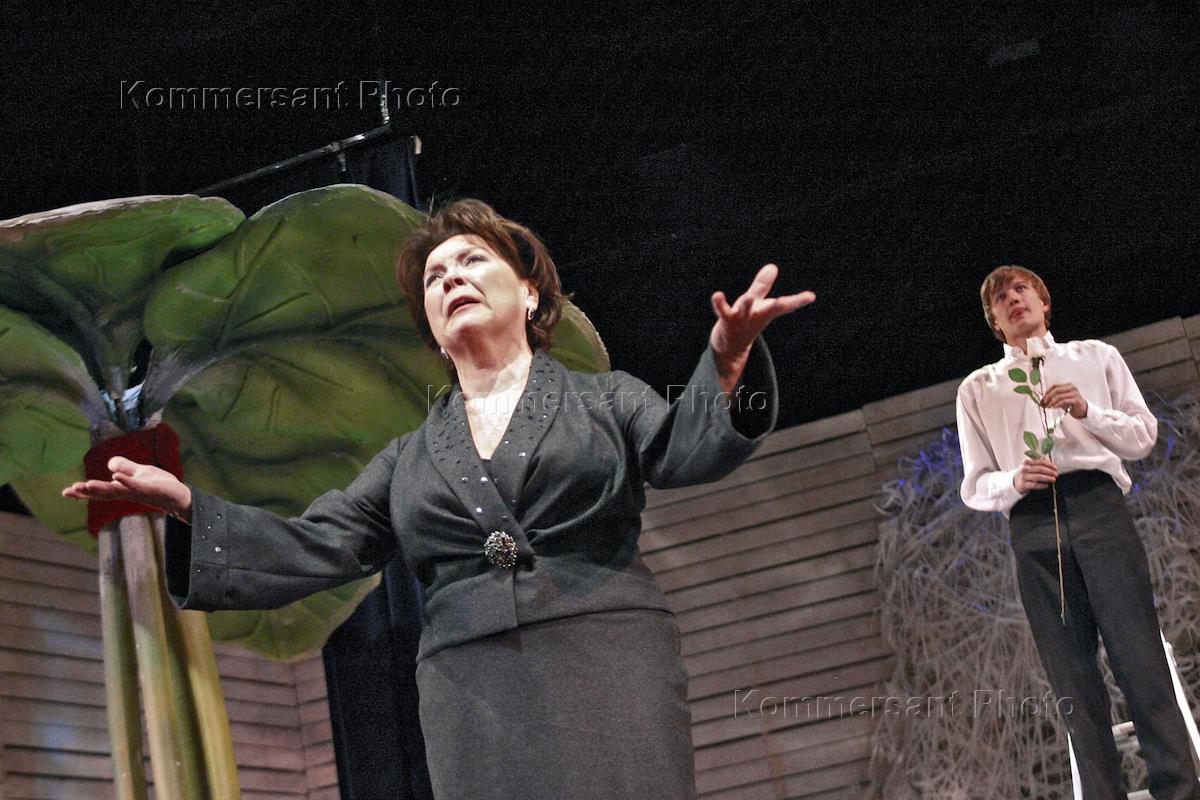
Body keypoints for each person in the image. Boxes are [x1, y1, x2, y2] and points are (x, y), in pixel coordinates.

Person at [63, 199, 815, 799]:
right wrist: (188, 505)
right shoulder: (409, 458)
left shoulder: (607, 399)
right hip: (470, 686)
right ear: (429, 321)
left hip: (606, 659)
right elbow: (321, 543)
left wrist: (724, 362)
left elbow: (684, 450)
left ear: (529, 292)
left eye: (472, 260)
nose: (451, 278)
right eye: (434, 277)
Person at [955, 265, 1199, 800]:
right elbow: (974, 484)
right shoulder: (978, 388)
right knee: (1071, 678)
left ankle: (1180, 790)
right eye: (1000, 298)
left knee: (1139, 657)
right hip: (1033, 525)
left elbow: (1142, 435)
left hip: (1098, 508)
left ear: (1043, 301)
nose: (1013, 299)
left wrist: (1087, 411)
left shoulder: (1095, 357)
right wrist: (1014, 479)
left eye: (1021, 289)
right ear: (994, 320)